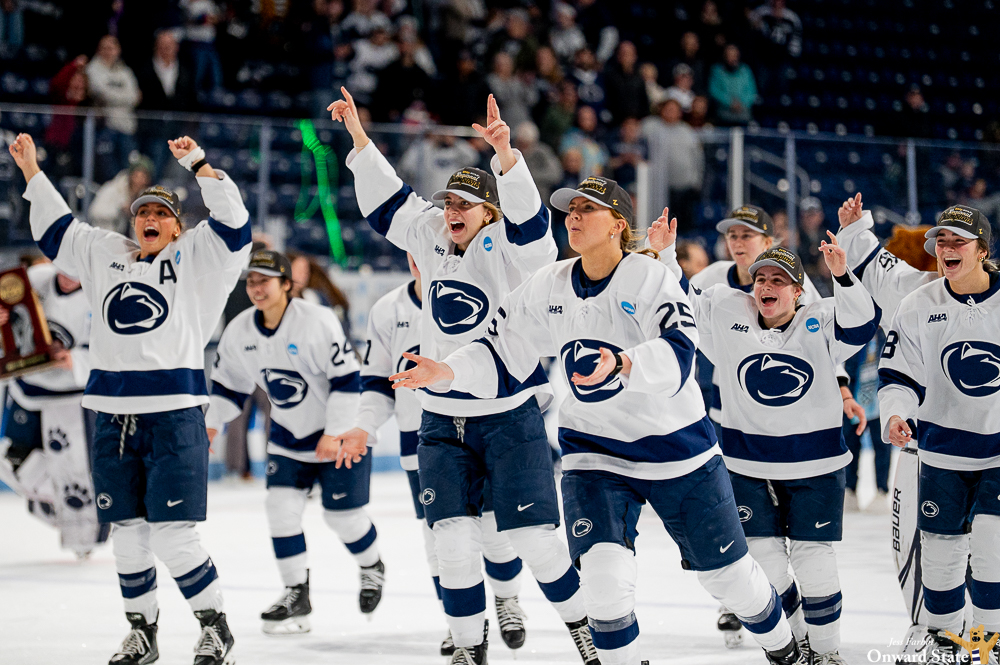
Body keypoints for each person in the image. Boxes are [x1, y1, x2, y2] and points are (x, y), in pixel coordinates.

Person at [392, 178, 808, 665]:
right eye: (570, 210)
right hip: (594, 455)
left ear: (617, 225)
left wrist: (627, 364)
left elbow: (681, 350)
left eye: (587, 209)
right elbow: (502, 348)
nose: (573, 217)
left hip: (678, 453)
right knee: (605, 586)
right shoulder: (548, 284)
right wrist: (449, 370)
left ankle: (785, 649)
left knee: (727, 577)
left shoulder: (649, 278)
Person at [330, 89, 596, 665]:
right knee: (448, 541)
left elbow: (533, 231)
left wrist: (506, 157)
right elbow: (387, 202)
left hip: (508, 414)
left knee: (531, 540)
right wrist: (358, 136)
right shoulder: (430, 231)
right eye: (448, 201)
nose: (452, 210)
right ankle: (469, 649)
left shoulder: (509, 246)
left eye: (466, 204)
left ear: (488, 213)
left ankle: (584, 627)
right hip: (442, 417)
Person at [9, 131, 251, 665]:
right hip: (111, 414)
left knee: (173, 535)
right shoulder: (106, 253)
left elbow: (234, 224)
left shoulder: (198, 258)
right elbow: (56, 231)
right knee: (127, 533)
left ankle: (217, 628)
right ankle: (143, 632)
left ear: (177, 226)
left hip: (173, 415)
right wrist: (31, 171)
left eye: (162, 213)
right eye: (142, 211)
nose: (150, 218)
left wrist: (200, 165)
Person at [652, 210, 880, 665]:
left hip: (814, 462)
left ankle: (829, 653)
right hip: (746, 462)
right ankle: (798, 644)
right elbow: (677, 303)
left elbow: (862, 323)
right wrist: (662, 253)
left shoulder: (821, 318)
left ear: (798, 290)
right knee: (765, 563)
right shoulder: (726, 305)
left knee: (814, 561)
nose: (767, 287)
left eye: (779, 281)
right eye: (761, 280)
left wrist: (843, 275)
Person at [334, 253, 530, 656]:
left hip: (487, 432)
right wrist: (363, 425)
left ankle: (508, 600)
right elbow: (376, 380)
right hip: (425, 443)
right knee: (441, 544)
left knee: (495, 535)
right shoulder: (388, 310)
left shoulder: (490, 290)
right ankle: (460, 626)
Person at [205, 249, 384, 633]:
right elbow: (229, 386)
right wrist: (211, 424)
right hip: (288, 435)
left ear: (287, 285)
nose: (256, 288)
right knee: (279, 508)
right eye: (251, 281)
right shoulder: (239, 330)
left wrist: (334, 432)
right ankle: (295, 592)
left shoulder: (316, 321)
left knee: (343, 518)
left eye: (264, 281)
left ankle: (372, 566)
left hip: (341, 431)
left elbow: (347, 381)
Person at [878, 204, 1000, 661]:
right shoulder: (918, 305)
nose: (946, 249)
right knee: (942, 553)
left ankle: (990, 642)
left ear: (982, 250)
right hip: (942, 450)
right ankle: (943, 639)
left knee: (992, 545)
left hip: (997, 451)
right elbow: (897, 377)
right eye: (941, 242)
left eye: (958, 242)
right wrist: (895, 415)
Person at [0, 263, 107, 558]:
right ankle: (62, 502)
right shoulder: (34, 279)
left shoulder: (103, 291)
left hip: (72, 397)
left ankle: (83, 537)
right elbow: (13, 321)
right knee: (10, 460)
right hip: (28, 387)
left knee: (74, 473)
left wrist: (76, 360)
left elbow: (119, 347)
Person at [86, 35, 142, 182]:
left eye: (111, 48)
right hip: (105, 129)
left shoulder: (125, 71)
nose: (108, 52)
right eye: (104, 48)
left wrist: (113, 97)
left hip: (126, 129)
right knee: (108, 175)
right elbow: (100, 91)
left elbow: (134, 97)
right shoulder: (93, 69)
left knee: (128, 173)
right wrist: (123, 98)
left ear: (118, 50)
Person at [708, 44, 758, 126]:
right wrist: (730, 103)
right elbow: (714, 90)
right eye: (729, 55)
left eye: (734, 55)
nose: (732, 58)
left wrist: (741, 104)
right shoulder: (717, 70)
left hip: (743, 111)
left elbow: (752, 92)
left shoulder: (746, 70)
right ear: (724, 56)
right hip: (723, 111)